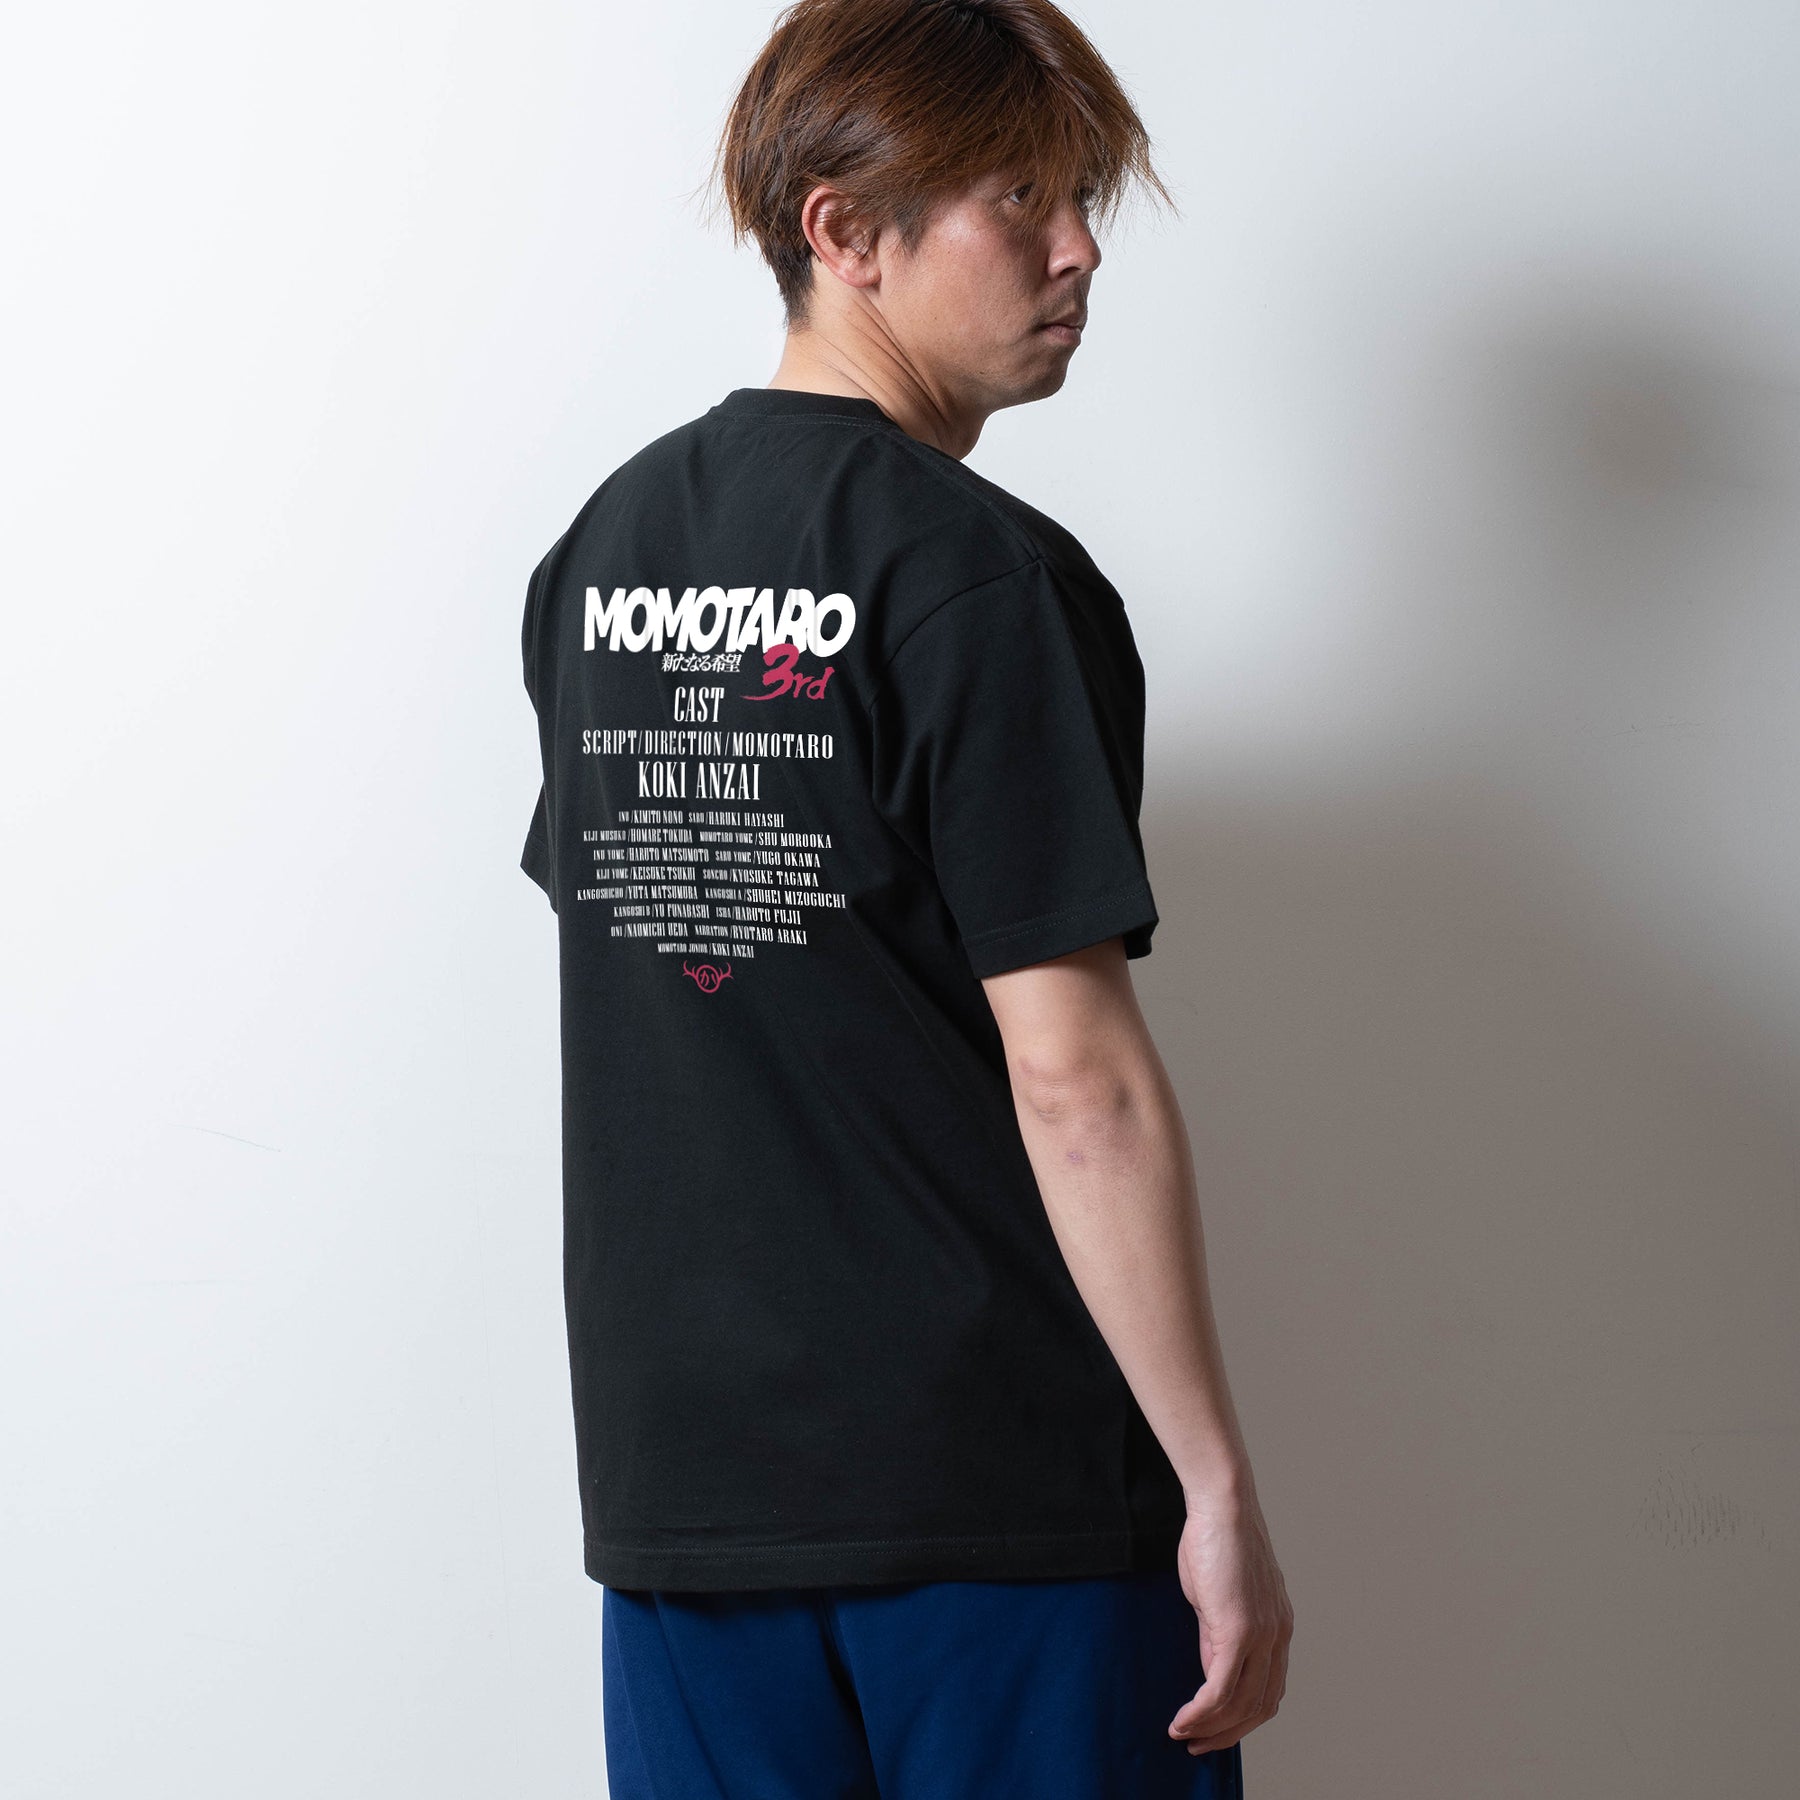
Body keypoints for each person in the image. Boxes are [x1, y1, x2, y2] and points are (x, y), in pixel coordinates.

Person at [518, 2, 1293, 1792]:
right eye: (1020, 199)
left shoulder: (602, 556)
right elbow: (1077, 1081)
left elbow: (665, 966)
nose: (1078, 248)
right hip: (1001, 1503)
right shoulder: (979, 580)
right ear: (844, 230)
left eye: (1083, 197)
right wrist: (1215, 1485)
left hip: (688, 1505)